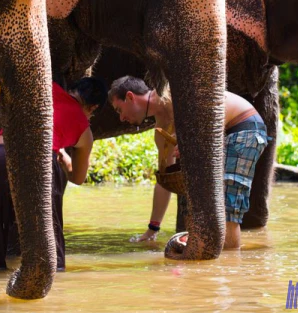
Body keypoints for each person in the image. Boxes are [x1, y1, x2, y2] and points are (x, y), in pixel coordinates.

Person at [0, 77, 108, 271]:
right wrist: (64, 158)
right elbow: (78, 177)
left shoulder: (47, 87)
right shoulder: (84, 129)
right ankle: (50, 278)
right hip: (42, 162)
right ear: (93, 108)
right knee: (49, 234)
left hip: (2, 153)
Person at [108, 76, 268, 250]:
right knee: (203, 208)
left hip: (242, 128)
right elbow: (165, 179)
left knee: (227, 208)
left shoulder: (176, 92)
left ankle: (229, 268)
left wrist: (191, 141)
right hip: (221, 139)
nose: (121, 118)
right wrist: (152, 229)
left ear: (130, 97)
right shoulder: (160, 131)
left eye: (118, 110)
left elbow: (212, 114)